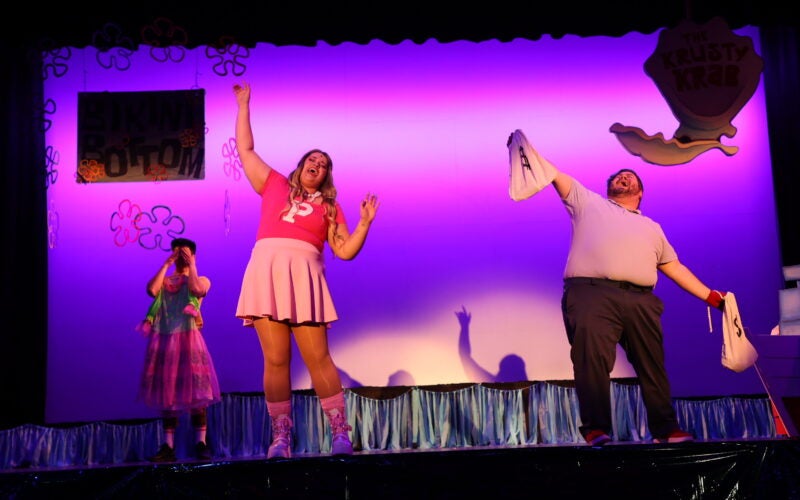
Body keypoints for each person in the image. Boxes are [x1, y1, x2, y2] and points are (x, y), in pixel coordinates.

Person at [510, 132, 728, 446]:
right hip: (592, 294)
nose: (624, 178)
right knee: (592, 360)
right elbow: (554, 173)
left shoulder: (652, 227)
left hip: (641, 300)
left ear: (640, 192)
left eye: (630, 177)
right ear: (609, 187)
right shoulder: (588, 202)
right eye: (619, 176)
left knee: (652, 364)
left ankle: (666, 429)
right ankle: (596, 428)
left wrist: (711, 297)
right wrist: (525, 146)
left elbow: (675, 268)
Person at [232, 82, 380, 459]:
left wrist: (364, 224)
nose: (318, 164)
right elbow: (245, 149)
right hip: (267, 272)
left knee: (318, 359)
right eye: (313, 160)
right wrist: (244, 104)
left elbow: (344, 251)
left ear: (326, 175)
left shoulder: (330, 206)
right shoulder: (274, 184)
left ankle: (340, 433)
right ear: (301, 166)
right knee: (276, 360)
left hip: (304, 279)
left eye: (324, 164)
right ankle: (281, 438)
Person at [136, 237, 221, 462]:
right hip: (166, 341)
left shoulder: (201, 279)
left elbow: (196, 289)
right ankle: (168, 446)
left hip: (189, 339)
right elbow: (151, 290)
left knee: (198, 393)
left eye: (184, 253)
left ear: (193, 255)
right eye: (177, 252)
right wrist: (167, 264)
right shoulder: (165, 281)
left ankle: (201, 443)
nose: (180, 257)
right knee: (168, 394)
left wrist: (191, 264)